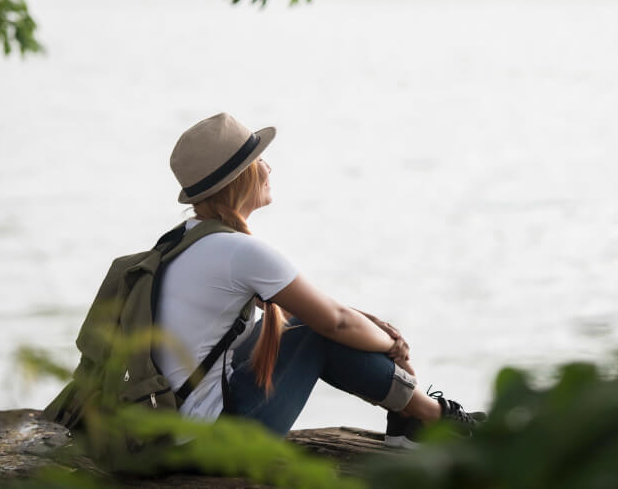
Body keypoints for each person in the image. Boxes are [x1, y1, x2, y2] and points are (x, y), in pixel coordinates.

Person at [153, 112, 482, 445]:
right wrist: (393, 345)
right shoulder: (238, 251)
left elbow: (314, 315)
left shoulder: (179, 244)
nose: (269, 168)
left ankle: (411, 417)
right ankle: (433, 416)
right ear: (243, 176)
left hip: (166, 431)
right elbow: (334, 323)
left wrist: (369, 326)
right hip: (209, 443)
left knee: (306, 324)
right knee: (315, 329)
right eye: (261, 159)